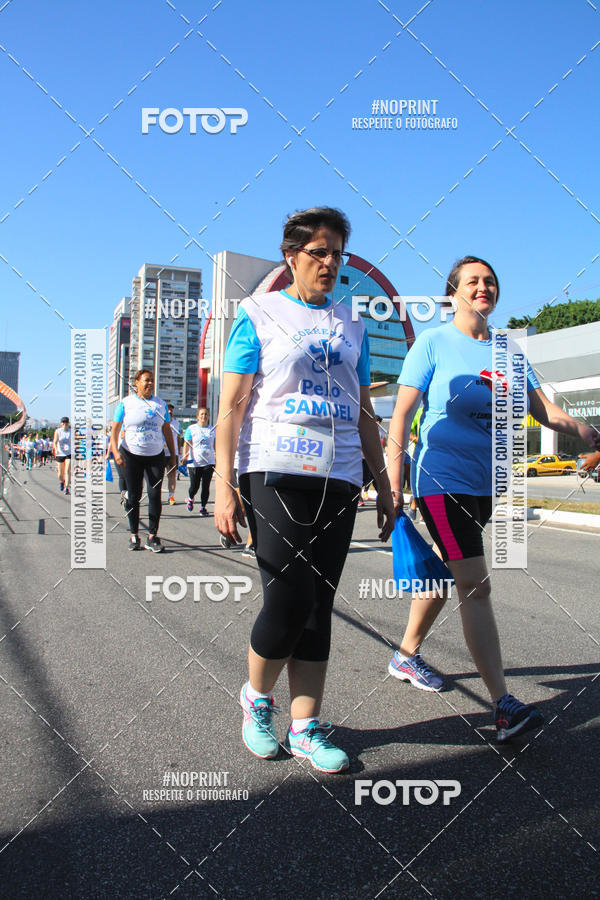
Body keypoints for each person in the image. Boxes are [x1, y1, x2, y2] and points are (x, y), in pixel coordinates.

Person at [387, 255, 600, 742]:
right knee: (476, 586)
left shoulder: (507, 349)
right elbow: (400, 416)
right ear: (453, 293)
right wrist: (391, 484)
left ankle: (405, 654)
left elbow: (541, 409)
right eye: (472, 282)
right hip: (441, 480)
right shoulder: (434, 342)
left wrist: (584, 429)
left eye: (490, 281)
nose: (483, 288)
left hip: (486, 485)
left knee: (446, 571)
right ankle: (503, 706)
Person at [214, 206, 394, 772]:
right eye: (319, 251)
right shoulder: (258, 313)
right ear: (290, 255)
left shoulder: (352, 325)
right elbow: (231, 408)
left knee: (319, 604)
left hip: (338, 474)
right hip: (273, 467)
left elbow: (366, 414)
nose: (330, 263)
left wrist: (385, 486)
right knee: (288, 595)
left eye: (338, 253)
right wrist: (223, 484)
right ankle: (256, 700)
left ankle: (307, 724)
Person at [110, 369, 176, 552]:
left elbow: (167, 431)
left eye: (152, 381)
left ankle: (152, 536)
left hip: (155, 455)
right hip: (131, 454)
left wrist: (173, 455)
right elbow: (114, 430)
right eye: (146, 380)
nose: (150, 384)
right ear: (136, 382)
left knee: (155, 495)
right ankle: (133, 534)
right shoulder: (126, 403)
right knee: (134, 495)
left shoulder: (161, 405)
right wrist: (115, 451)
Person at [182, 407, 215, 516]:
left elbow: (215, 445)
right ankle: (191, 498)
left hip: (209, 462)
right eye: (201, 414)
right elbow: (186, 443)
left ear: (208, 417)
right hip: (194, 462)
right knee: (194, 486)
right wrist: (184, 457)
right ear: (197, 416)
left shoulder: (212, 430)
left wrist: (217, 458)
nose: (204, 416)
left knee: (206, 486)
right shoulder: (191, 429)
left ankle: (203, 507)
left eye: (206, 414)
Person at [166, 403, 181, 505]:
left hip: (173, 453)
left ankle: (171, 496)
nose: (170, 412)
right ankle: (155, 496)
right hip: (160, 452)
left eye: (171, 410)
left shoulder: (176, 423)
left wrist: (179, 452)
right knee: (157, 477)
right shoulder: (160, 422)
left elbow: (178, 437)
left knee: (172, 475)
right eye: (168, 410)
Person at [53, 417, 72, 493]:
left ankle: (66, 487)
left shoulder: (71, 431)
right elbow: (55, 441)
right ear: (61, 423)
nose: (65, 424)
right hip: (60, 453)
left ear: (68, 423)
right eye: (63, 423)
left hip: (69, 453)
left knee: (67, 471)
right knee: (60, 473)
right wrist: (56, 449)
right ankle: (62, 481)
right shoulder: (58, 431)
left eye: (66, 423)